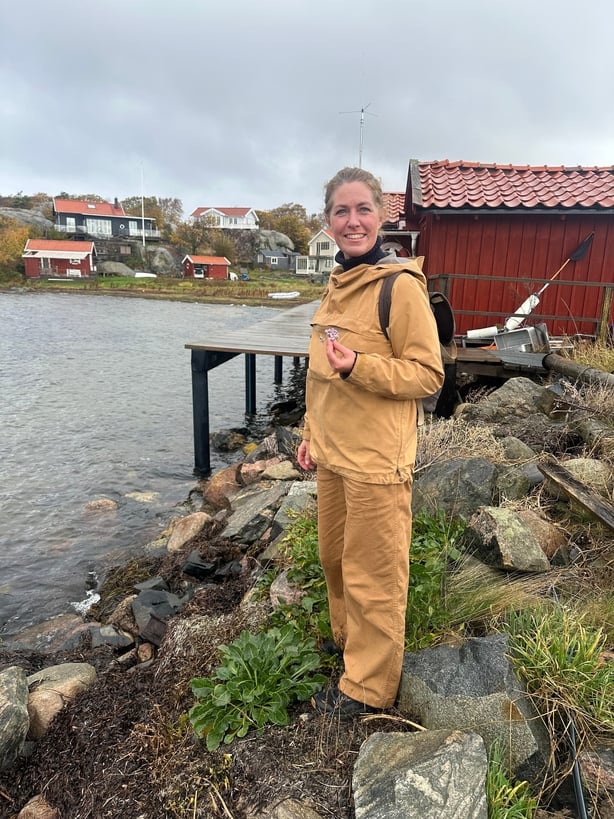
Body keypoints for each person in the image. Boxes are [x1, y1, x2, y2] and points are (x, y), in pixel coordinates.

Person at [297, 167, 445, 716]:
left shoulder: (399, 287)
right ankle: (349, 649)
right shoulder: (335, 287)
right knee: (334, 560)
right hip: (334, 456)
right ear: (329, 222)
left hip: (377, 463)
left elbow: (428, 375)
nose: (352, 220)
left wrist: (360, 365)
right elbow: (318, 375)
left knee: (373, 576)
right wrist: (311, 432)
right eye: (341, 211)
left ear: (382, 217)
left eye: (363, 209)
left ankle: (368, 688)